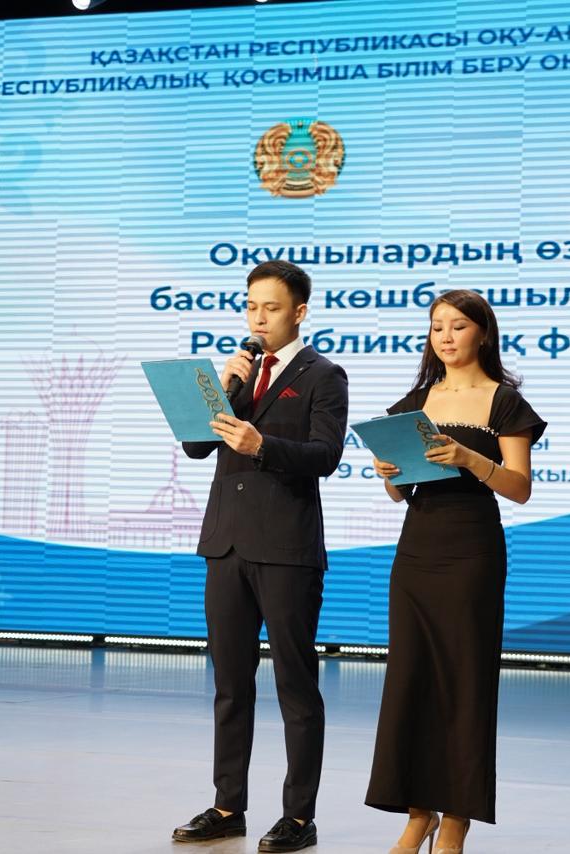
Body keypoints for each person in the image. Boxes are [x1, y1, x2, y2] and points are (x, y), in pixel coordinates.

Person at [173, 259, 348, 852]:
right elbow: (196, 446)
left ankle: (299, 816)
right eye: (251, 307)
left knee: (295, 685)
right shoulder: (238, 375)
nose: (258, 318)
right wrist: (223, 387)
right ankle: (228, 806)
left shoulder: (324, 375)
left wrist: (263, 444)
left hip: (287, 548)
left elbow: (325, 455)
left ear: (299, 312)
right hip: (225, 544)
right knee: (230, 684)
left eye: (271, 308)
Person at [365, 289, 546, 853]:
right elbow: (400, 493)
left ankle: (457, 818)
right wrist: (389, 474)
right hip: (416, 550)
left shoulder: (504, 401)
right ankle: (417, 814)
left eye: (458, 325)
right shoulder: (417, 401)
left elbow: (519, 488)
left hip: (472, 551)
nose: (445, 336)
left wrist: (470, 458)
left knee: (464, 683)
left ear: (482, 334)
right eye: (437, 326)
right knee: (410, 680)